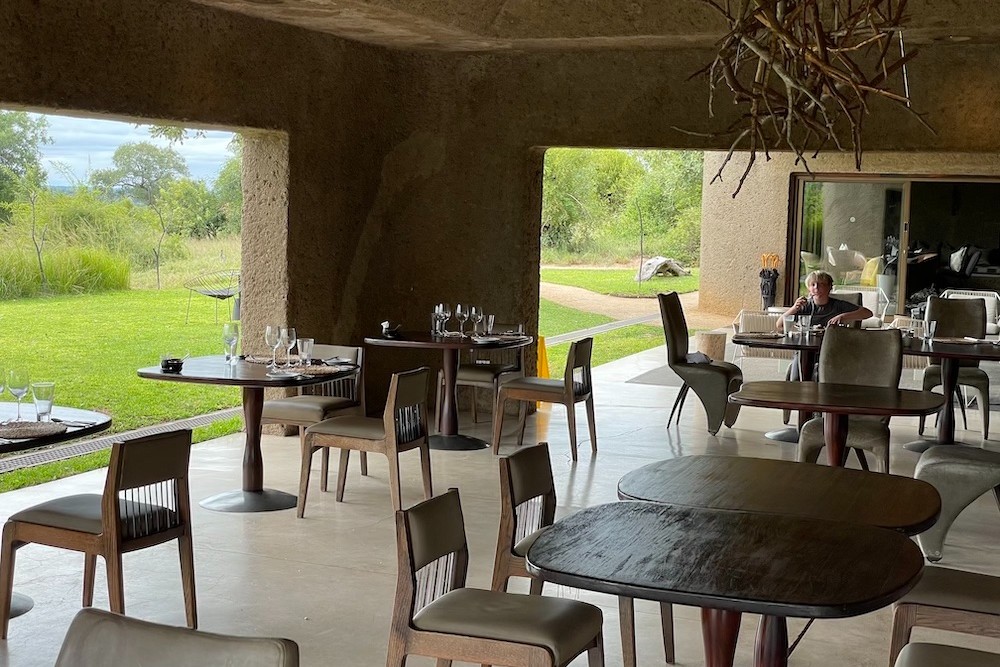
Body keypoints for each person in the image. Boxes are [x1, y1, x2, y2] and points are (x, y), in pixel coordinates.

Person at [777, 270, 873, 331]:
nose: (817, 288)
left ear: (829, 287)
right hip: (806, 346)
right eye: (813, 285)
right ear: (808, 289)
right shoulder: (805, 306)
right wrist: (793, 309)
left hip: (832, 347)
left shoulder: (837, 305)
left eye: (821, 284)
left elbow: (868, 313)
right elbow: (779, 325)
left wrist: (843, 316)